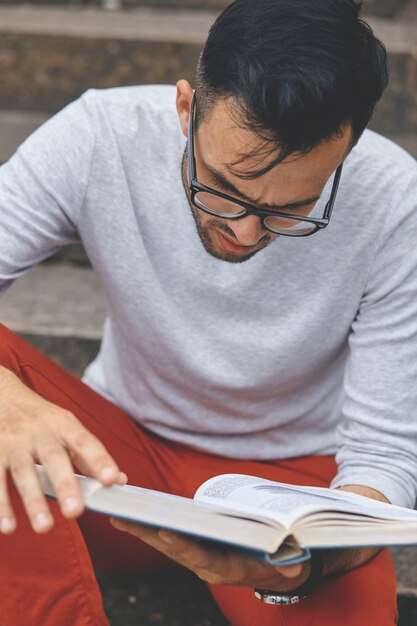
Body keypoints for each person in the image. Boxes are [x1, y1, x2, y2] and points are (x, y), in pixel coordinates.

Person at [0, 0, 416, 624]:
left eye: (291, 209)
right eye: (222, 187)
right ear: (186, 108)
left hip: (289, 494)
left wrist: (303, 563)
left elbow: (385, 461)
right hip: (113, 459)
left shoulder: (396, 203)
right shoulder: (100, 136)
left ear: (348, 149)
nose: (246, 232)